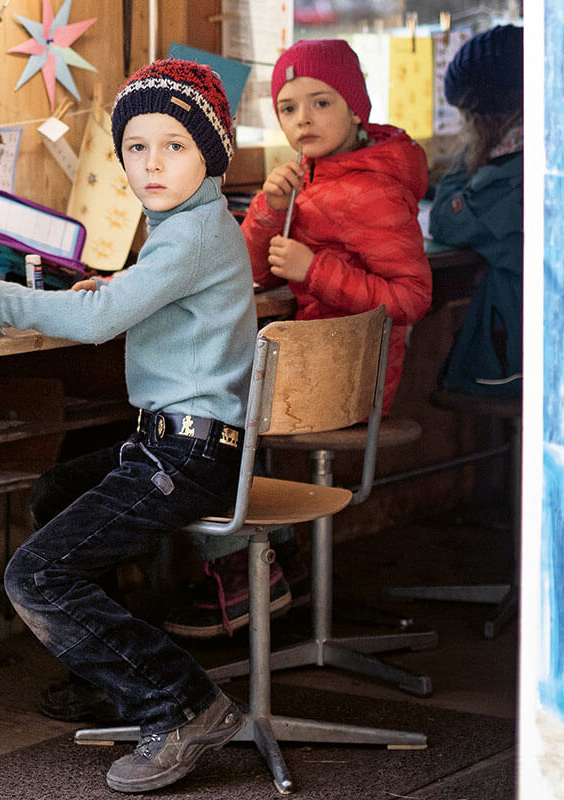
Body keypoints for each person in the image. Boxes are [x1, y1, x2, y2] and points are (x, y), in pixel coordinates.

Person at [0, 59, 253, 793]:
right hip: (176, 444)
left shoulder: (189, 234)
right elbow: (144, 301)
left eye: (175, 146)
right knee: (56, 492)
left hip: (187, 455)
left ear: (212, 155)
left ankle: (181, 704)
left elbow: (96, 324)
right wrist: (117, 287)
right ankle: (113, 677)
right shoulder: (192, 227)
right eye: (136, 147)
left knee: (38, 574)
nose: (152, 164)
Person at [163, 38, 434, 639]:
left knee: (190, 416)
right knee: (210, 401)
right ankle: (279, 566)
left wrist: (315, 269)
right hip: (313, 378)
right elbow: (249, 273)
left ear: (356, 108)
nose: (303, 119)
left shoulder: (373, 188)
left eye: (321, 102)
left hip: (345, 389)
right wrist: (269, 206)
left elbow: (413, 298)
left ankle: (240, 573)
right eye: (288, 108)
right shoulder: (316, 179)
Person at [431, 25, 523, 397]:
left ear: (485, 121)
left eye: (466, 119)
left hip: (516, 363)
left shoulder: (508, 178)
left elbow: (444, 218)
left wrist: (471, 153)